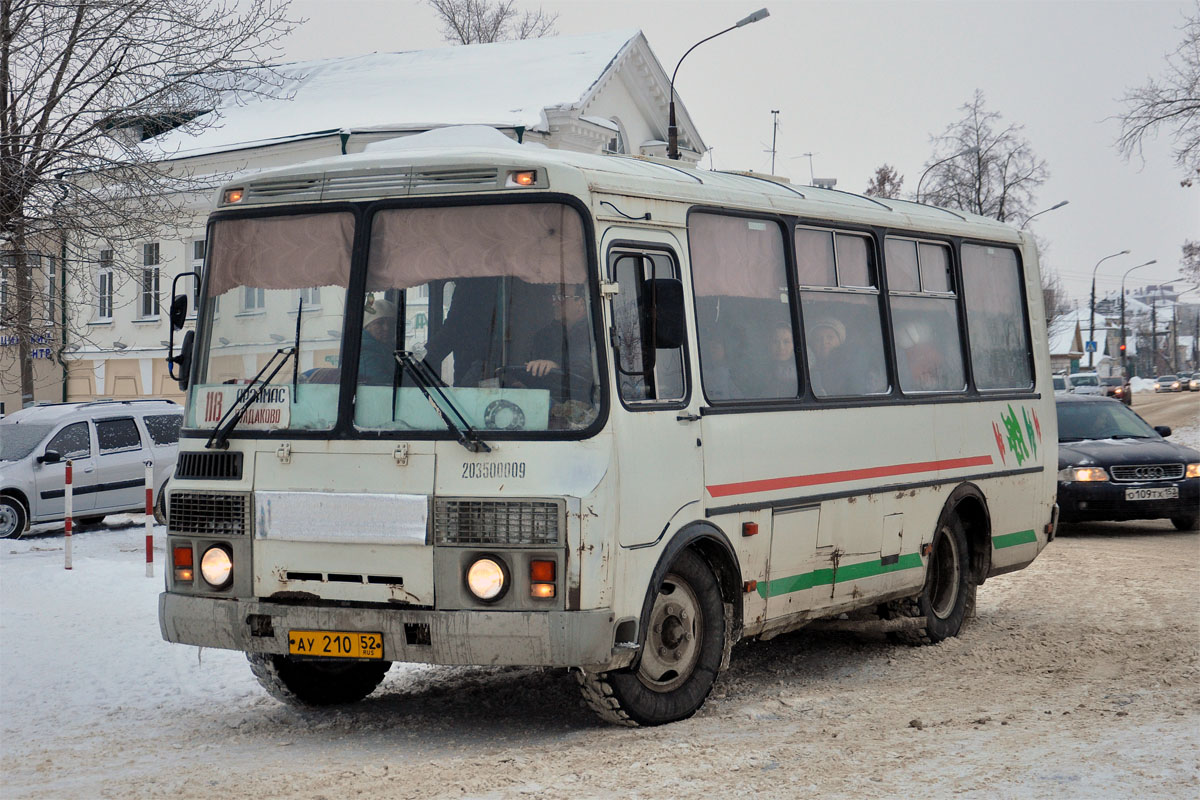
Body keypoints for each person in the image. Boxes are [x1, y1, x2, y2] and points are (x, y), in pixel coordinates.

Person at [358, 297, 398, 385]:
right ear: (367, 327)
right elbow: (385, 384)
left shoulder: (388, 348)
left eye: (391, 323)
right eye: (379, 323)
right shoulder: (362, 353)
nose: (386, 328)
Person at [807, 316, 848, 396]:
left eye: (830, 337)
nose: (824, 342)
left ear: (840, 341)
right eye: (818, 339)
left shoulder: (849, 367)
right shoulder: (808, 369)